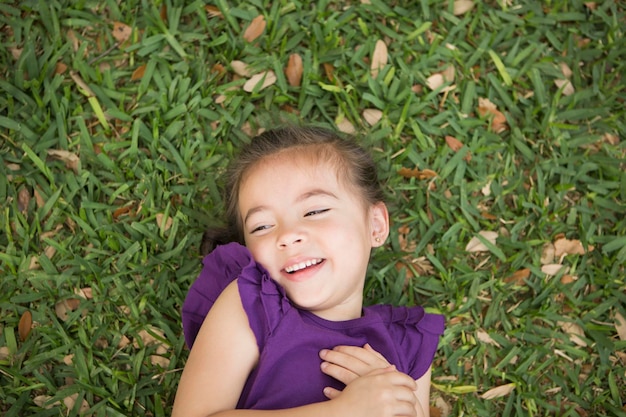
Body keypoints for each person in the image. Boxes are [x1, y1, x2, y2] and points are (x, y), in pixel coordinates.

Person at [172, 126, 445, 417]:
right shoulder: (252, 306)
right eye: (262, 227)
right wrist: (344, 411)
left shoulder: (408, 344)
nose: (287, 235)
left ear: (375, 225)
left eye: (314, 211)